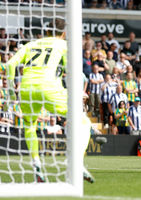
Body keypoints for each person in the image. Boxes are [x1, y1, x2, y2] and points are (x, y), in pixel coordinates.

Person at [5, 19, 94, 183]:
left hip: (26, 89)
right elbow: (74, 72)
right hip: (49, 88)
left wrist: (11, 93)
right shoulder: (63, 45)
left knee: (30, 125)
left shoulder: (31, 44)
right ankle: (75, 161)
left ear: (46, 32)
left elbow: (10, 64)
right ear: (64, 33)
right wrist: (78, 91)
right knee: (83, 121)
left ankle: (36, 164)